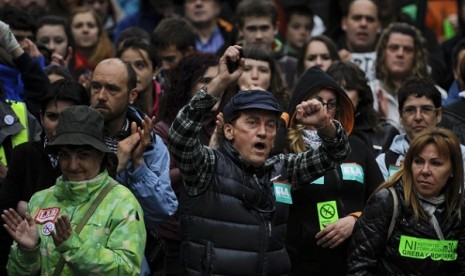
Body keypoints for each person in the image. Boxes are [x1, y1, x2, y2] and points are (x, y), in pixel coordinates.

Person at [168, 45, 350, 274]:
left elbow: (336, 153)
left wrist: (325, 124)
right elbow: (179, 136)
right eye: (252, 122)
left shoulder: (282, 169)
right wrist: (220, 81)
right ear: (229, 131)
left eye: (270, 125)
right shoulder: (207, 166)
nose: (263, 132)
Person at [2, 105, 147, 275]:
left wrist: (73, 247)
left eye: (83, 155)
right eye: (64, 155)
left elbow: (127, 270)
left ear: (100, 155)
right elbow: (16, 272)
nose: (72, 165)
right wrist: (28, 251)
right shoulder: (41, 199)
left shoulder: (122, 203)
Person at [284, 66, 383, 275]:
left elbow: (383, 201)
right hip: (300, 260)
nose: (324, 110)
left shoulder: (356, 146)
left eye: (331, 104)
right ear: (301, 102)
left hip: (352, 258)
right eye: (318, 101)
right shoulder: (283, 147)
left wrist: (356, 219)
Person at [89, 58, 177, 273]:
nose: (101, 96)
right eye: (96, 87)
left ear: (132, 95)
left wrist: (138, 166)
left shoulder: (150, 144)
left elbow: (163, 211)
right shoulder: (73, 137)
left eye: (112, 89)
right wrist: (115, 168)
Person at [0, 79, 90, 274]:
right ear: (41, 117)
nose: (59, 125)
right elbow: (7, 214)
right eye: (52, 116)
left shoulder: (94, 158)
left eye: (68, 116)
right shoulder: (24, 155)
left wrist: (30, 208)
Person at [347, 128, 465, 275]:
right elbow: (359, 267)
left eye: (436, 163)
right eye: (418, 161)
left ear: (453, 169)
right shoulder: (387, 202)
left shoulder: (459, 210)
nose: (425, 170)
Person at [154, 52, 219, 275]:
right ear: (188, 85)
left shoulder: (227, 125)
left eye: (219, 80)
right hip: (175, 238)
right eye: (207, 81)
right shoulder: (164, 129)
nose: (216, 87)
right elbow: (161, 183)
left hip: (215, 238)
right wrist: (205, 157)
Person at [376, 78, 465, 180]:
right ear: (400, 116)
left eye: (426, 109)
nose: (418, 117)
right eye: (410, 110)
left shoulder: (460, 155)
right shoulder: (384, 162)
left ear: (439, 115)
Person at [370, 22, 447, 131]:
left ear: (417, 55)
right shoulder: (370, 92)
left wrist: (387, 123)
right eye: (394, 48)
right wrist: (380, 124)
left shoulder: (438, 94)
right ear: (383, 52)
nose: (400, 54)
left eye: (407, 49)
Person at [327, 60, 398, 156]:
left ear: (360, 95)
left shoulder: (386, 134)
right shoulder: (312, 132)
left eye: (348, 88)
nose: (342, 95)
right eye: (336, 89)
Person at [236, 0, 297, 89]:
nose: (258, 36)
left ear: (276, 28)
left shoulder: (292, 65)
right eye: (252, 29)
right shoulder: (229, 63)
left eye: (264, 28)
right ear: (240, 30)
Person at [331, 0, 381, 82]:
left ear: (379, 26)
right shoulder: (329, 56)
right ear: (344, 23)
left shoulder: (389, 62)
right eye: (357, 18)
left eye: (370, 19)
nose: (363, 24)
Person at [238, 45, 291, 109]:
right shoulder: (223, 102)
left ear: (272, 77)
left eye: (263, 70)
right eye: (247, 69)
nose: (255, 76)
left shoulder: (285, 109)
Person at [117, 38, 160, 116]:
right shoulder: (113, 101)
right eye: (127, 66)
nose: (133, 72)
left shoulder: (169, 98)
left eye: (140, 65)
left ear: (155, 71)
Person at [70, 7, 114, 78]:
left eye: (91, 25)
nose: (85, 30)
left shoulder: (112, 59)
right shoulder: (63, 62)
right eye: (78, 26)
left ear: (99, 31)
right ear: (69, 31)